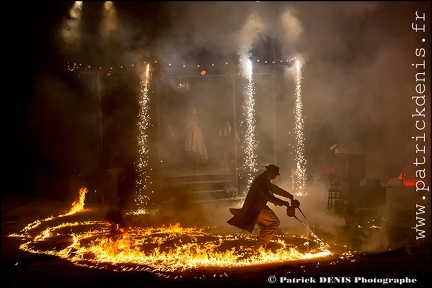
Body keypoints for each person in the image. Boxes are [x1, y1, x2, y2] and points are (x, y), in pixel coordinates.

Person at [227, 164, 294, 249]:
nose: (275, 177)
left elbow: (275, 189)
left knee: (266, 227)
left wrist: (288, 195)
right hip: (257, 208)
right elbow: (269, 197)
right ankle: (259, 248)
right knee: (274, 222)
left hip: (255, 207)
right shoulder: (261, 182)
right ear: (270, 173)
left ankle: (260, 248)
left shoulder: (263, 180)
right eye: (275, 175)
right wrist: (284, 203)